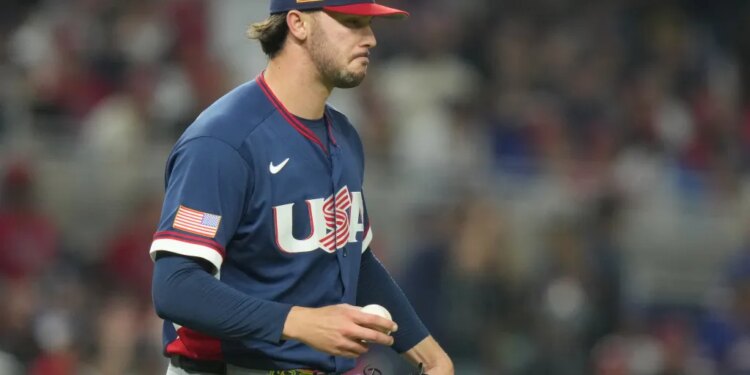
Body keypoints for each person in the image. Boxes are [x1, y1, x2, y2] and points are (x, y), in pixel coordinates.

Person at [149, 0, 453, 374]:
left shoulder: (343, 135)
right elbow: (175, 286)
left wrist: (429, 355)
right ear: (298, 24)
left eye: (369, 25)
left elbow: (355, 261)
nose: (371, 38)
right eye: (352, 22)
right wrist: (300, 322)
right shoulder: (223, 141)